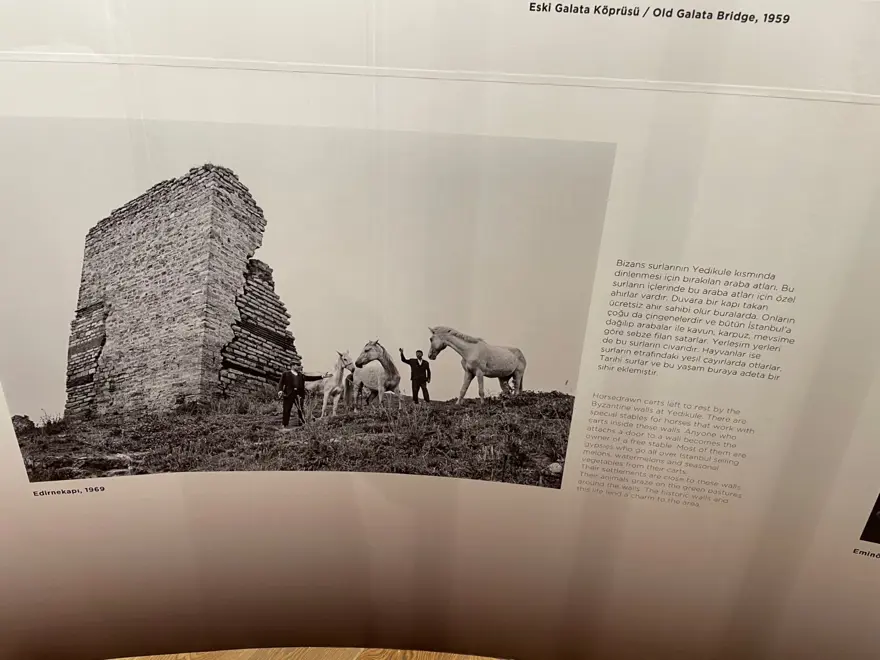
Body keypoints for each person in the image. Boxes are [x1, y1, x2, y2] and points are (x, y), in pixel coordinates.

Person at [277, 363, 324, 427]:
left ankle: (301, 423)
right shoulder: (286, 374)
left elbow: (310, 378)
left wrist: (322, 376)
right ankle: (285, 424)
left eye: (299, 365)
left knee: (301, 409)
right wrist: (280, 391)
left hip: (299, 394)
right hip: (289, 394)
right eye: (297, 365)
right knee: (286, 409)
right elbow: (281, 383)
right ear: (292, 366)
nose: (299, 367)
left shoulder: (301, 375)